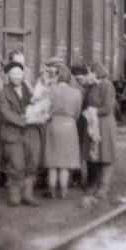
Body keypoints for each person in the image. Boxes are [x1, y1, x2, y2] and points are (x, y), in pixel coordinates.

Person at [0, 61, 42, 206]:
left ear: (23, 74)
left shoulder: (31, 90)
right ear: (8, 76)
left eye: (19, 73)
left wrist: (39, 115)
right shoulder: (2, 93)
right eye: (13, 74)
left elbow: (40, 105)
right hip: (13, 134)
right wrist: (25, 120)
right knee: (16, 165)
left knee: (32, 164)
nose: (16, 76)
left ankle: (27, 195)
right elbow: (5, 113)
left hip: (31, 134)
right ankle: (14, 196)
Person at [42, 66, 83, 198]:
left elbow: (44, 109)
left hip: (53, 123)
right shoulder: (76, 92)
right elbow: (77, 112)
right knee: (65, 161)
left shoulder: (49, 90)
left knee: (52, 160)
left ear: (57, 77)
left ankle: (52, 189)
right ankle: (64, 190)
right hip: (69, 125)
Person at [84, 62, 119, 199]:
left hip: (105, 124)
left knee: (106, 154)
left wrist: (93, 111)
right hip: (96, 123)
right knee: (97, 153)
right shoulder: (94, 86)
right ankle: (97, 185)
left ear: (95, 73)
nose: (87, 75)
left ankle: (104, 187)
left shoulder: (107, 85)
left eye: (89, 73)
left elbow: (108, 108)